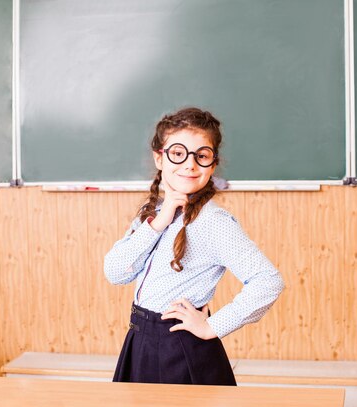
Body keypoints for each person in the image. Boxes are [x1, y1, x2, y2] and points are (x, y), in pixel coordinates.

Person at [104, 107, 284, 386]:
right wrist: (158, 222)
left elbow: (268, 281)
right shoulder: (151, 214)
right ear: (159, 158)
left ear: (212, 164)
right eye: (178, 153)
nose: (190, 165)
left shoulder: (214, 222)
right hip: (140, 340)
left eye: (201, 156)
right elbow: (116, 273)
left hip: (179, 348)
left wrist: (213, 326)